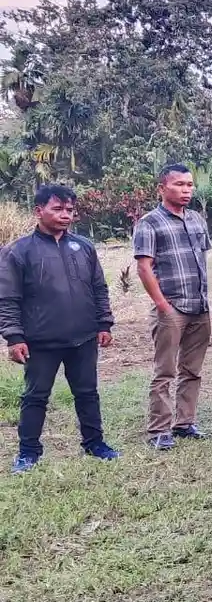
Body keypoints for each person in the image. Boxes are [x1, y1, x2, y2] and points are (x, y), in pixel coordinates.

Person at [0, 185, 120, 474]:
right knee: (35, 397)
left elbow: (99, 288)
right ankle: (28, 453)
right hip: (41, 341)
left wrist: (104, 323)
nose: (65, 215)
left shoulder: (84, 247)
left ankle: (94, 444)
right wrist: (14, 337)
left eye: (69, 210)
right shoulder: (18, 251)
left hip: (84, 338)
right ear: (38, 211)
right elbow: (8, 298)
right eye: (57, 209)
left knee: (87, 393)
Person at [132, 164, 212, 451]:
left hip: (199, 306)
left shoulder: (196, 219)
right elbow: (144, 268)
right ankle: (159, 430)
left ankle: (185, 422)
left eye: (189, 185)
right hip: (171, 308)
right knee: (164, 372)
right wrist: (162, 305)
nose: (186, 190)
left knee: (192, 370)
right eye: (179, 184)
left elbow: (202, 260)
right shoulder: (149, 223)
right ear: (162, 188)